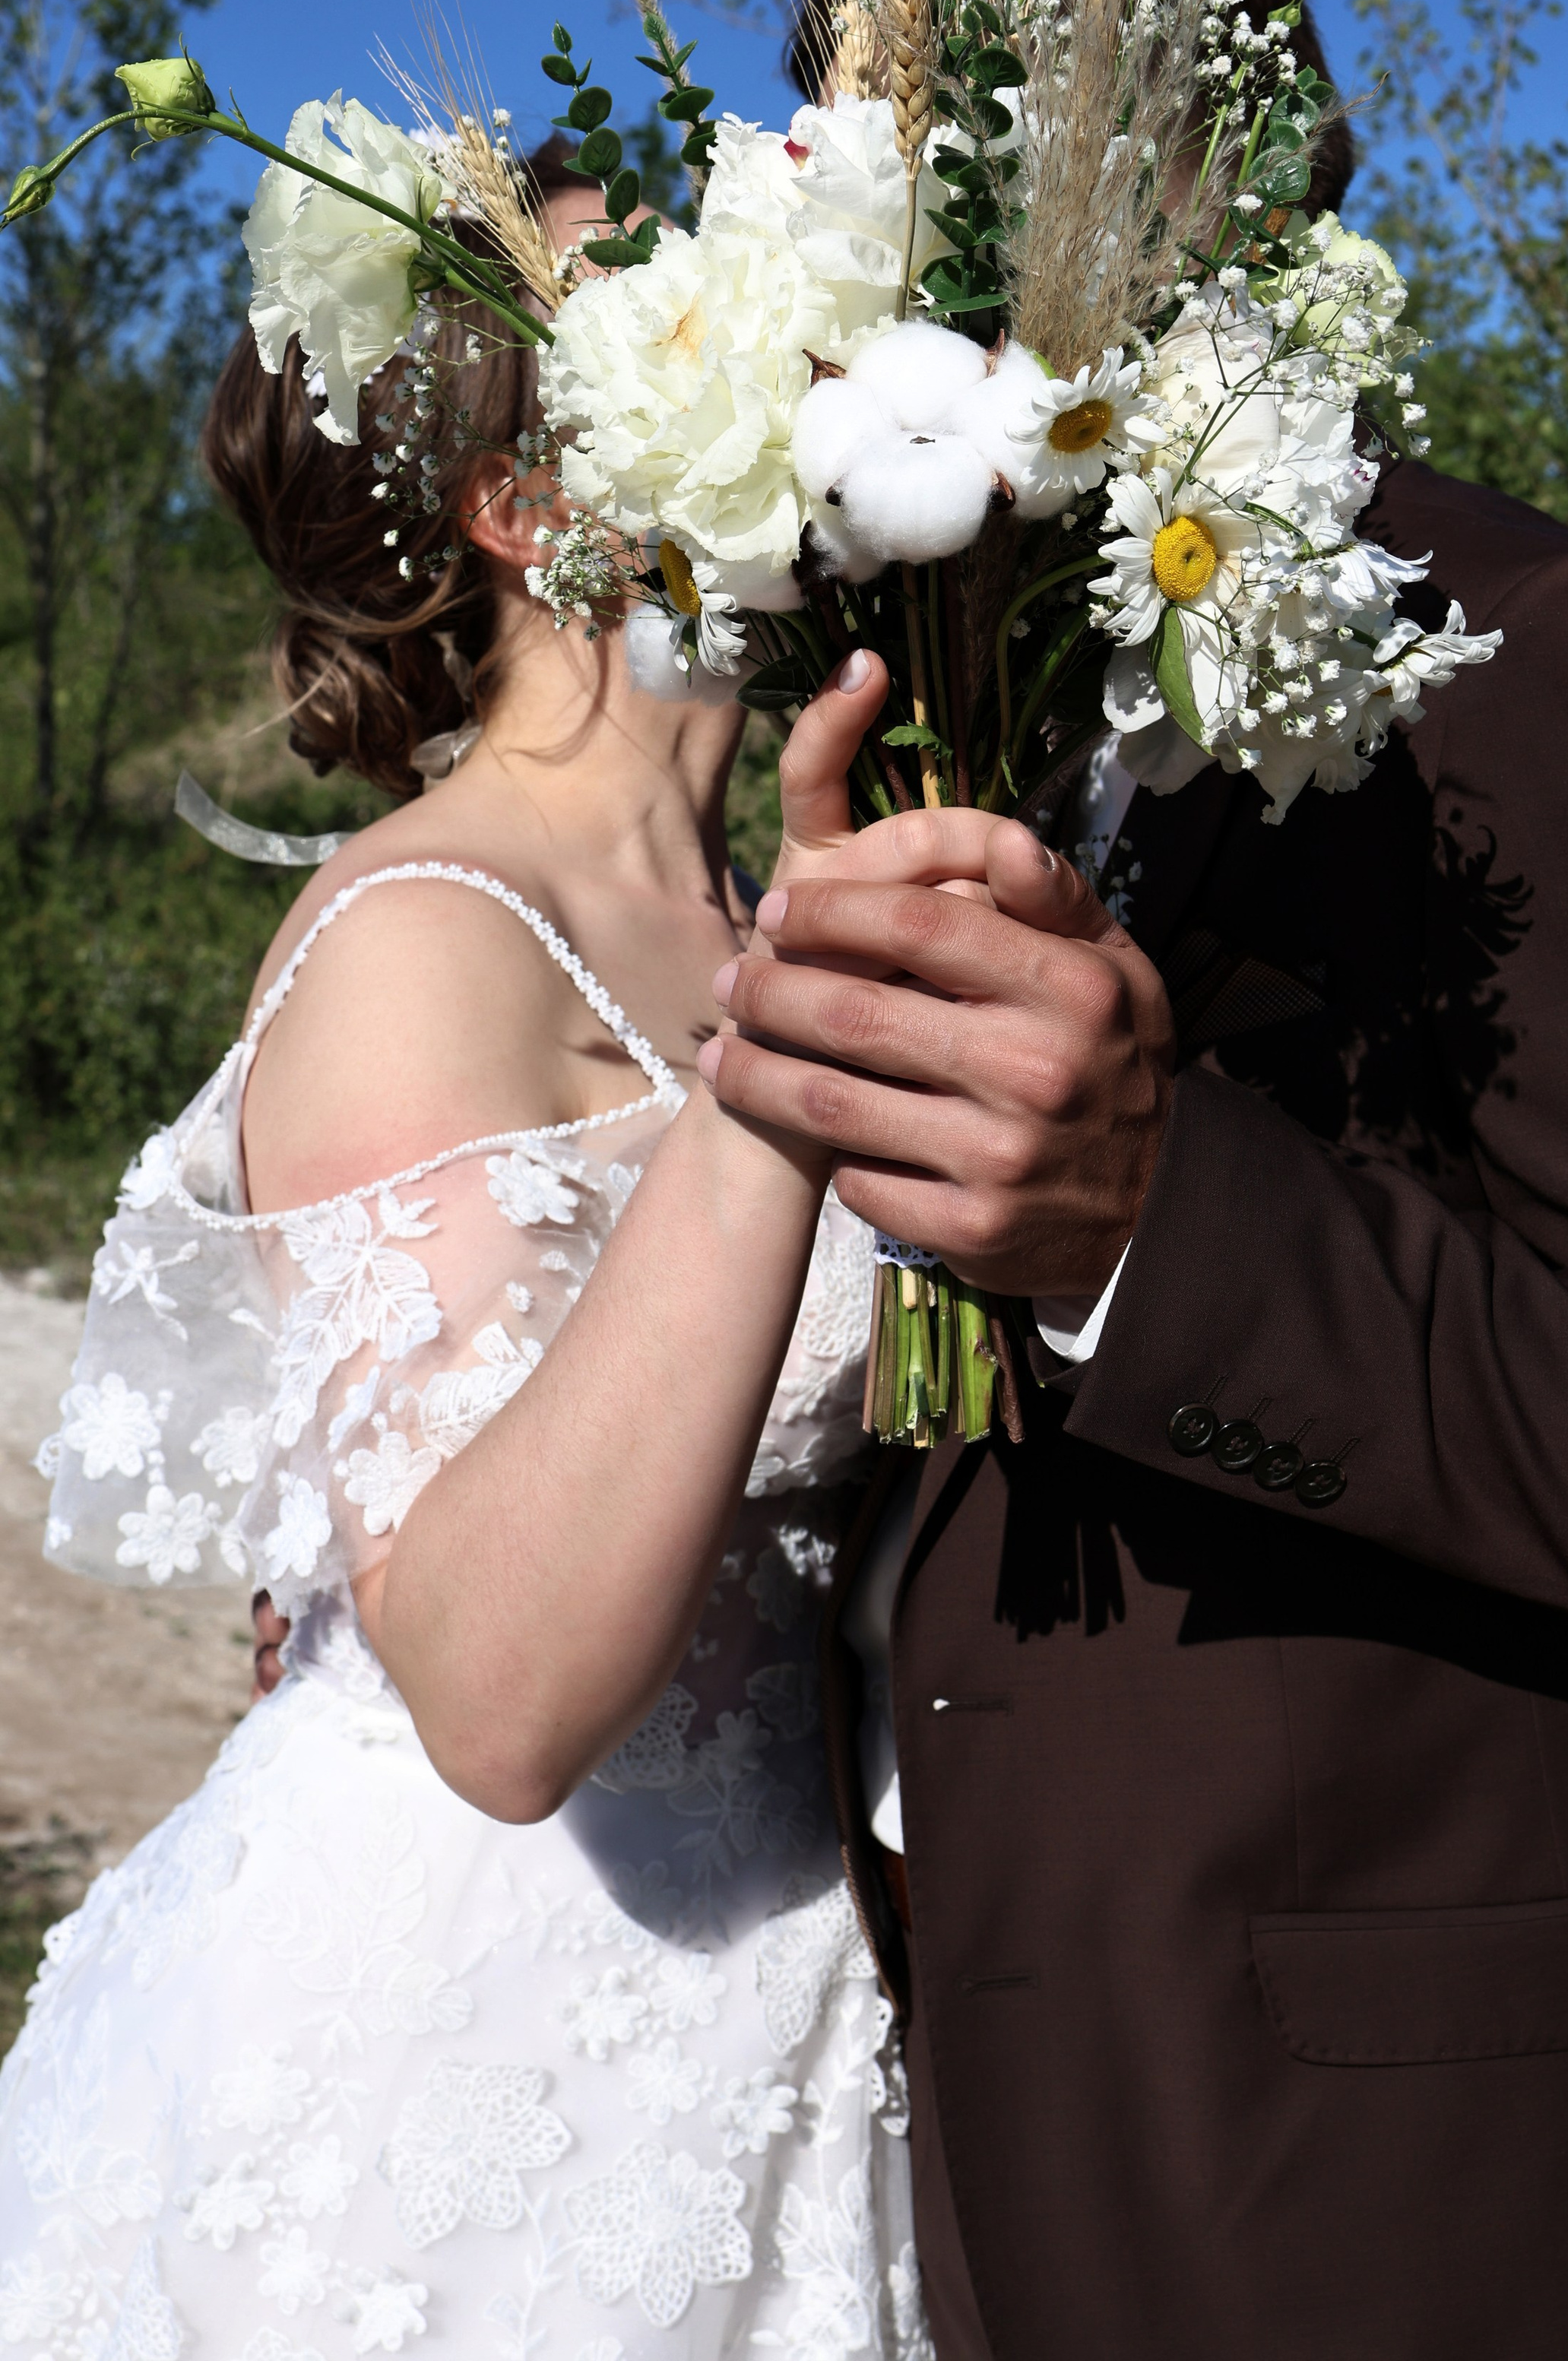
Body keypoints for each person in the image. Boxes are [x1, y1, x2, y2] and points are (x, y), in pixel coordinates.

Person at [695, 0, 1568, 2359]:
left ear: (1203, 172)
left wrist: (1162, 1226)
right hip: (1049, 2107)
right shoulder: (991, 698)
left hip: (1437, 2187)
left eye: (949, 178)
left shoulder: (1559, 671)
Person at [0, 169, 935, 2361]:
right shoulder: (427, 943)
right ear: (534, 506)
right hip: (477, 2069)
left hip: (819, 2016)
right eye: (691, 319)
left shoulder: (773, 866)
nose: (779, 330)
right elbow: (497, 1700)